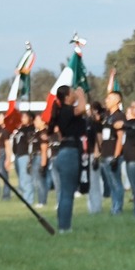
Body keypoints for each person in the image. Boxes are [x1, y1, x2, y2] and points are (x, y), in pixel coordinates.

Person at [49, 86, 90, 232]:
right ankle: (65, 227)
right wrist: (81, 95)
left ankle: (63, 223)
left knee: (64, 192)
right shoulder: (66, 110)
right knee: (67, 192)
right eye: (72, 92)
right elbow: (82, 109)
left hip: (64, 151)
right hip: (70, 152)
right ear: (67, 97)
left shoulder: (62, 112)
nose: (74, 94)